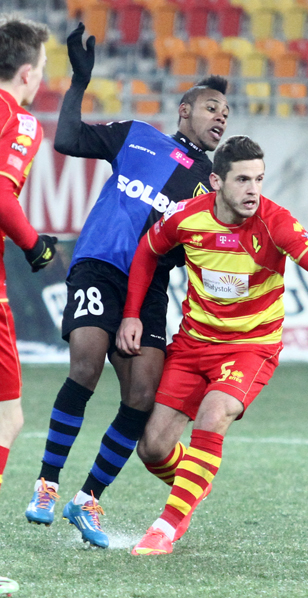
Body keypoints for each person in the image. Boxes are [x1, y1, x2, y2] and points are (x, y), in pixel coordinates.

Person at [24, 22, 229, 549]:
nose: (220, 117)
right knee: (86, 366)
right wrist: (79, 82)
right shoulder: (138, 135)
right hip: (99, 265)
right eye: (211, 108)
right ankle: (47, 484)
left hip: (151, 290)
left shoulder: (211, 191)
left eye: (225, 114)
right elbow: (68, 138)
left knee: (141, 396)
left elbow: (192, 252)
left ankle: (87, 498)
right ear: (184, 110)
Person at [115, 135, 308, 556]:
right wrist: (132, 313)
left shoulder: (275, 222)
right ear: (216, 181)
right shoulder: (187, 217)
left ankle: (164, 528)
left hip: (250, 347)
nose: (253, 190)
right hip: (193, 345)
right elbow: (148, 251)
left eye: (259, 179)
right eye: (243, 179)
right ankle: (195, 482)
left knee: (214, 414)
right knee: (152, 448)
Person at [0, 14, 57, 595]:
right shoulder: (18, 120)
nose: (42, 79)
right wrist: (35, 245)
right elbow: (0, 193)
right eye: (42, 68)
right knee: (6, 417)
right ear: (25, 73)